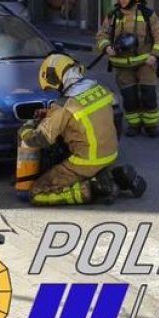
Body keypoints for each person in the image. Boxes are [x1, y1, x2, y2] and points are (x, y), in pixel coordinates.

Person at [21, 53, 146, 206]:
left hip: (86, 162)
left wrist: (25, 130)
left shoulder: (65, 105)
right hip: (110, 154)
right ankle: (114, 176)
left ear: (56, 77)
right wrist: (49, 114)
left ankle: (96, 188)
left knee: (37, 193)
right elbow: (96, 115)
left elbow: (41, 139)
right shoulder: (99, 88)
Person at [96, 0, 159, 138]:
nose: (121, 0)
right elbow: (101, 35)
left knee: (149, 95)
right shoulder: (113, 16)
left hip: (145, 63)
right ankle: (134, 125)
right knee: (130, 98)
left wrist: (155, 55)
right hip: (122, 66)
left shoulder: (147, 13)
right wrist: (107, 47)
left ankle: (151, 125)